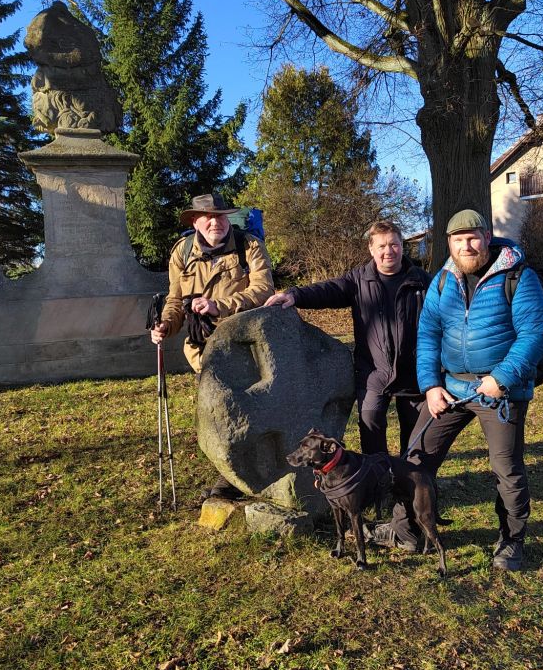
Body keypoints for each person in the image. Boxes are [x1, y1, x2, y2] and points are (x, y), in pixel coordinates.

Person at [372, 209, 543, 570]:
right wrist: (431, 386)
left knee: (506, 469)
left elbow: (536, 334)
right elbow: (428, 335)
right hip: (451, 388)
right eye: (458, 240)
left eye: (472, 238)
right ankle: (406, 530)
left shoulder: (519, 276)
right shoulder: (443, 280)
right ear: (449, 243)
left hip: (500, 392)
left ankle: (511, 540)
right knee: (415, 458)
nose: (466, 246)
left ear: (487, 238)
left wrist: (501, 378)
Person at [264, 220, 430, 456]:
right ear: (371, 249)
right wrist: (294, 295)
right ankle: (377, 473)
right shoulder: (358, 280)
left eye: (394, 244)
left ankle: (410, 476)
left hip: (413, 374)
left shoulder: (423, 281)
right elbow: (328, 290)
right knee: (370, 428)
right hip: (373, 373)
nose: (388, 251)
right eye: (381, 246)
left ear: (402, 246)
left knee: (414, 439)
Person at [149, 192, 274, 498]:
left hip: (244, 342)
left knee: (246, 410)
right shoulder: (182, 251)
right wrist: (165, 326)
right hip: (202, 348)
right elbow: (175, 300)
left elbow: (263, 289)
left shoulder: (249, 246)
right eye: (207, 217)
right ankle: (233, 475)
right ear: (195, 221)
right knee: (219, 413)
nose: (215, 222)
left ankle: (237, 478)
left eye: (220, 216)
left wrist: (220, 306)